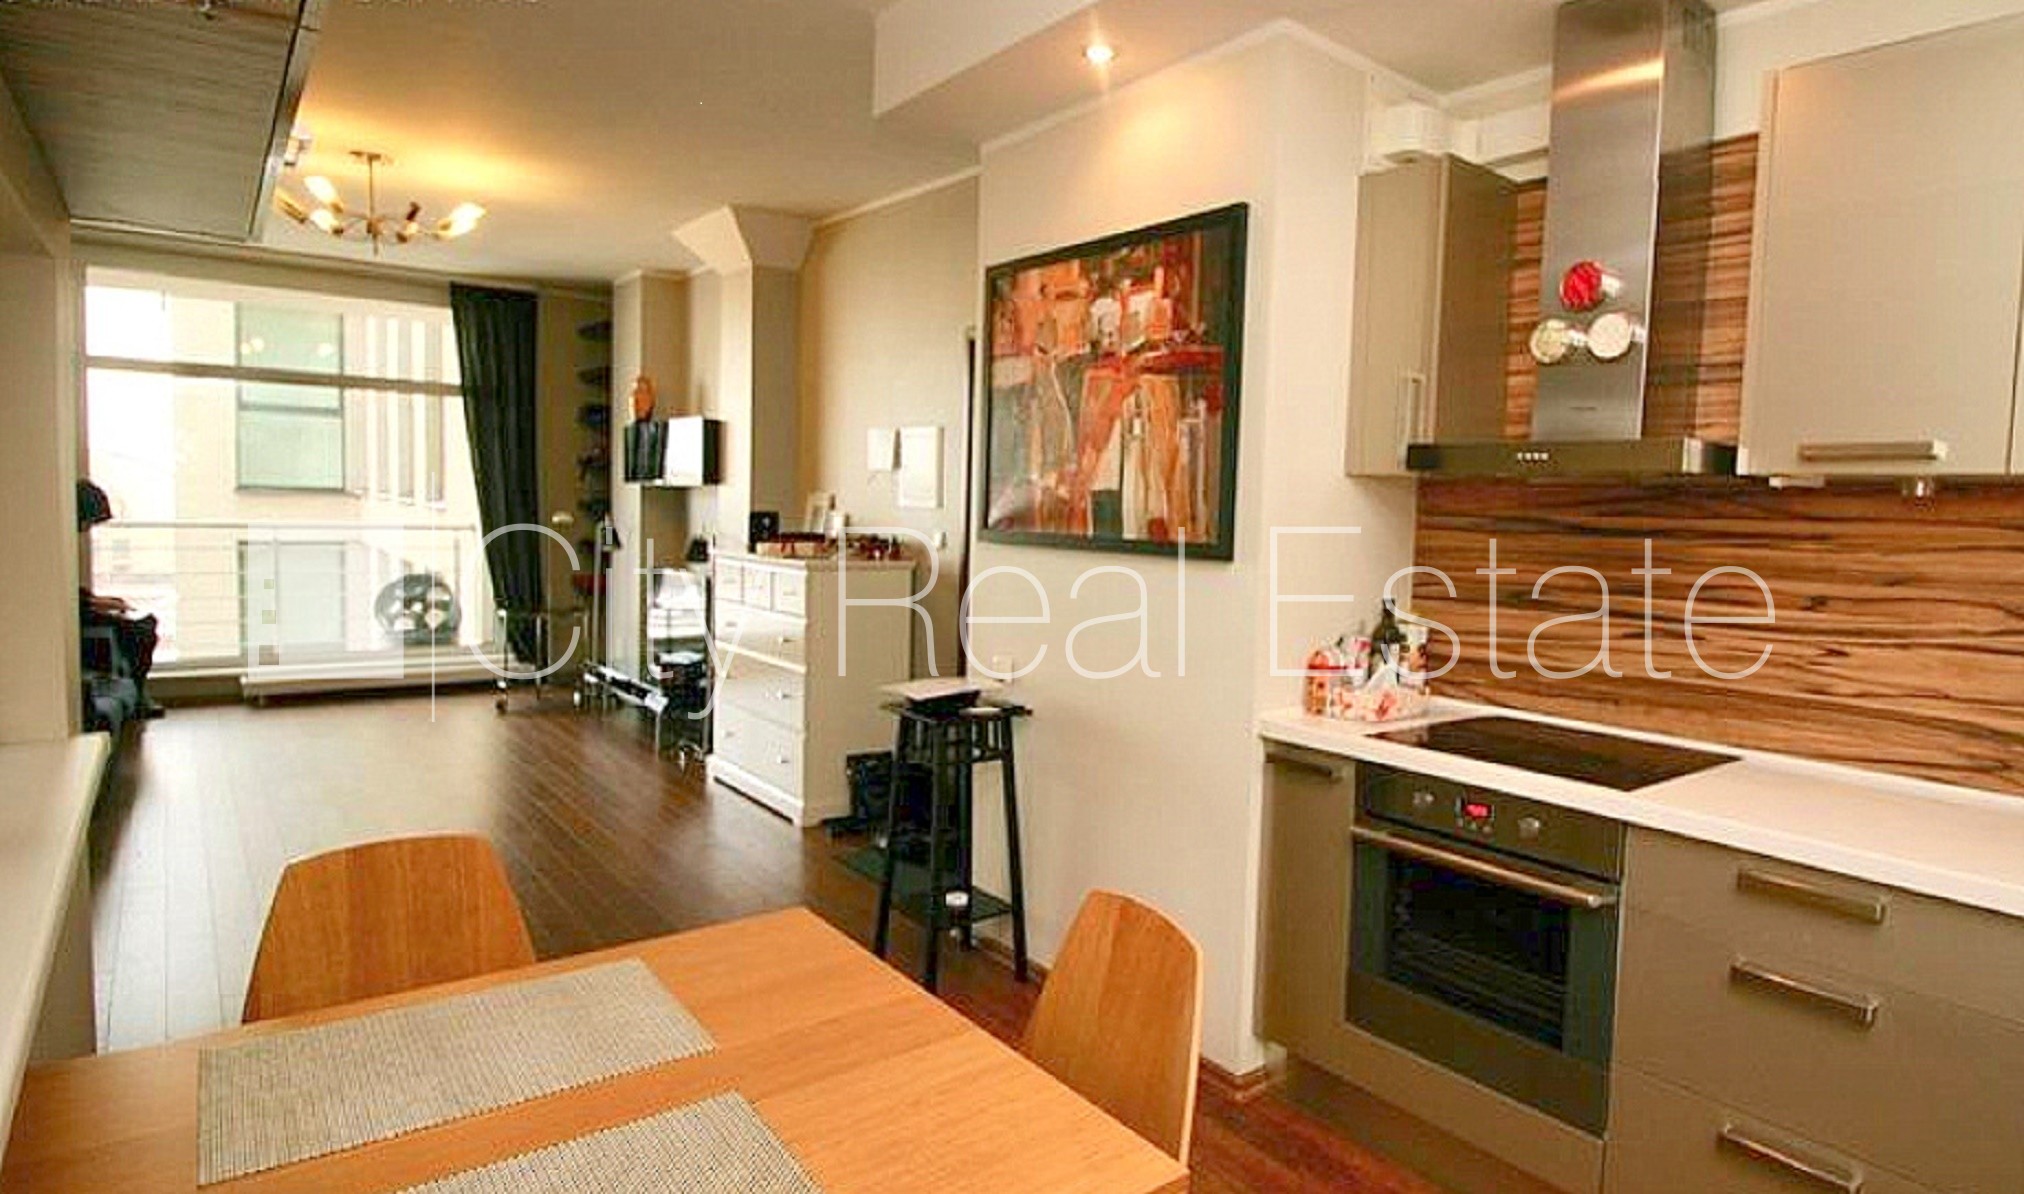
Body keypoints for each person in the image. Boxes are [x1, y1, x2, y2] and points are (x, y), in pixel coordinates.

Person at [77, 480, 164, 720]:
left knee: (145, 626)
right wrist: (95, 603)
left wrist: (97, 600)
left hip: (84, 611)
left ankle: (139, 691)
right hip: (84, 618)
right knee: (142, 632)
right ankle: (139, 692)